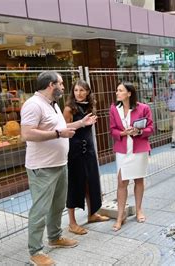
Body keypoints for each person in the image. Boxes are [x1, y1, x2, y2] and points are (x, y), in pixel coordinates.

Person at [21, 71, 97, 265]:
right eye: (61, 84)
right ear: (50, 85)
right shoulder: (33, 104)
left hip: (59, 164)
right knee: (40, 209)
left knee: (57, 205)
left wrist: (81, 123)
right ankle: (35, 251)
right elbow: (27, 134)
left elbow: (62, 127)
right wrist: (57, 134)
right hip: (42, 167)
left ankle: (54, 237)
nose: (64, 87)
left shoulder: (52, 104)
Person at [63, 80, 109, 236]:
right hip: (74, 151)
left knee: (92, 182)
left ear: (88, 92)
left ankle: (92, 214)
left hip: (88, 149)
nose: (78, 93)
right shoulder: (69, 109)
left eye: (82, 90)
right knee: (75, 185)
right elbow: (63, 128)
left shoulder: (90, 107)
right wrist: (81, 124)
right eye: (76, 90)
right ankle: (72, 222)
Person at [109, 82, 154, 231]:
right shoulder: (114, 109)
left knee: (139, 179)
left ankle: (139, 209)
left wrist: (138, 132)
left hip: (139, 148)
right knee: (122, 182)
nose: (117, 93)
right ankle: (120, 215)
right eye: (117, 90)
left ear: (129, 93)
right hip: (122, 150)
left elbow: (150, 128)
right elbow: (113, 130)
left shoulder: (143, 108)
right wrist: (122, 133)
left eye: (120, 90)